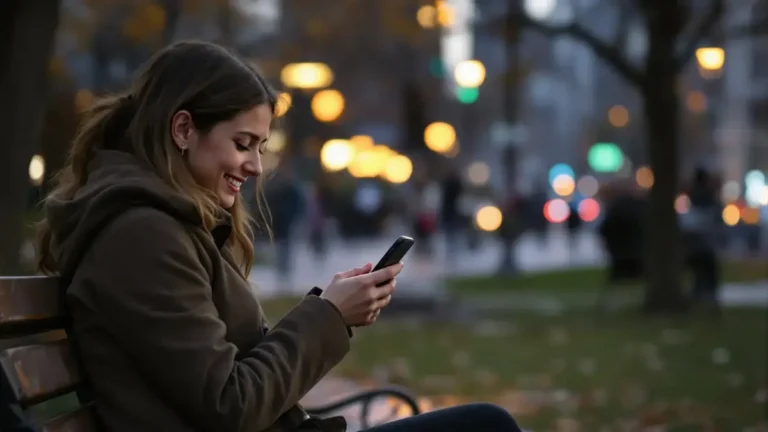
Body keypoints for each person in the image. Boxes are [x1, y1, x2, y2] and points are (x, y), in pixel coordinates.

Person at [34, 41, 521, 432]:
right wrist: (328, 315)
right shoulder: (141, 237)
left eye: (261, 147)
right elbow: (230, 406)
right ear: (183, 128)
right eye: (242, 144)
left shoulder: (162, 225)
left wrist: (331, 311)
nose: (255, 165)